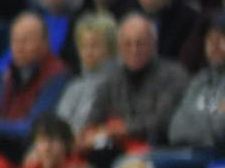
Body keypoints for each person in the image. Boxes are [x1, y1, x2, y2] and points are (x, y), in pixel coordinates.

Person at [85, 14, 190, 148]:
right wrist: (88, 133)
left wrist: (123, 129)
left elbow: (163, 122)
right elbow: (94, 118)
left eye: (140, 44)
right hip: (114, 147)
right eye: (127, 44)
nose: (134, 50)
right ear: (119, 48)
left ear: (153, 44)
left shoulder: (173, 75)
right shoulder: (111, 78)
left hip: (159, 147)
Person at [0, 13, 70, 145]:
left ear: (45, 43)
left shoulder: (56, 74)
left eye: (26, 41)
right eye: (15, 41)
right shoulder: (10, 72)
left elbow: (34, 127)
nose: (19, 47)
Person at [168, 13, 225, 151]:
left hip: (219, 158)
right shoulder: (201, 80)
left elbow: (223, 131)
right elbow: (175, 130)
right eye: (210, 39)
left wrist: (196, 121)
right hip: (191, 153)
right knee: (131, 163)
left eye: (221, 38)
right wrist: (215, 117)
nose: (214, 45)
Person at [55, 12, 119, 131]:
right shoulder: (74, 86)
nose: (88, 52)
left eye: (94, 46)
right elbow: (60, 124)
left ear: (111, 48)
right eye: (84, 46)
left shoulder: (118, 85)